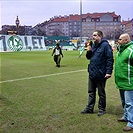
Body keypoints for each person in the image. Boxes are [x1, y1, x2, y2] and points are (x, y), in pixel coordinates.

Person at [81, 30, 114, 116]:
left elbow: (110, 59)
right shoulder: (93, 45)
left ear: (100, 36)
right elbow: (89, 58)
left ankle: (102, 109)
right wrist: (89, 51)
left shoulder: (105, 46)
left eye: (95, 35)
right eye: (93, 35)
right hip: (92, 72)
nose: (93, 37)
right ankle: (89, 108)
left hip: (101, 73)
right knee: (91, 92)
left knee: (101, 93)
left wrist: (108, 72)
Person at [114, 33, 133, 131]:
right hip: (120, 81)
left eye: (120, 39)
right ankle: (126, 117)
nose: (118, 41)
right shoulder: (119, 51)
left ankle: (131, 122)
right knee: (124, 102)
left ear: (126, 40)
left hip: (129, 82)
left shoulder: (131, 50)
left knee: (130, 103)